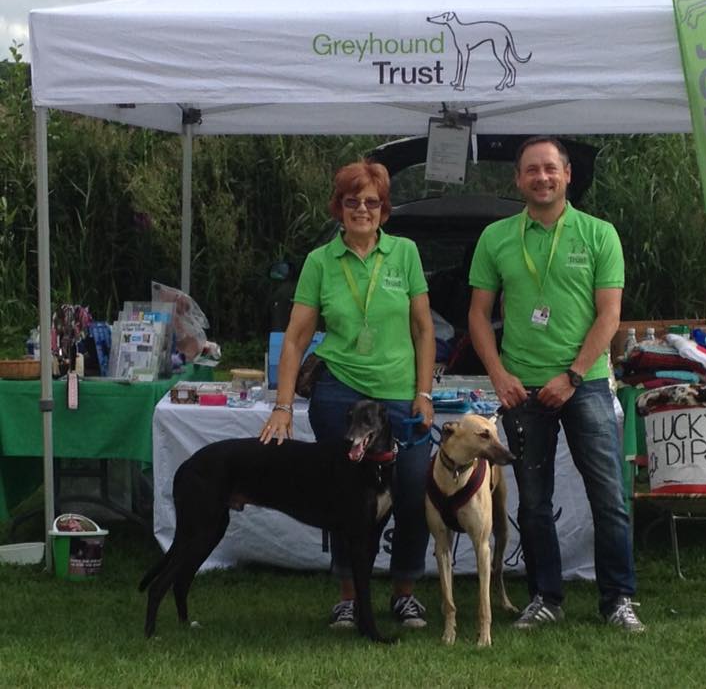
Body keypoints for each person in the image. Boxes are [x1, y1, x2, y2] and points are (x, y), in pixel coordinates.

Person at [467, 135, 644, 633]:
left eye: (550, 168)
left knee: (608, 496)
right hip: (521, 389)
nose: (541, 178)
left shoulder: (598, 234)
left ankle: (617, 599)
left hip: (582, 384)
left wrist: (571, 376)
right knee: (534, 501)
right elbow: (477, 317)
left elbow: (609, 316)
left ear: (567, 174)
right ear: (518, 179)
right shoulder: (496, 238)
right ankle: (546, 597)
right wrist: (499, 376)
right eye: (531, 170)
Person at [260, 159, 435, 629]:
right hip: (340, 395)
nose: (362, 209)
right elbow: (296, 337)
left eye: (372, 202)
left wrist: (424, 392)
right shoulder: (320, 262)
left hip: (399, 397)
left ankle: (404, 593)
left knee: (413, 490)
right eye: (352, 201)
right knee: (345, 499)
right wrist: (282, 405)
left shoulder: (405, 254)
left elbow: (423, 329)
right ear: (339, 208)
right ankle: (347, 597)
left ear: (384, 208)